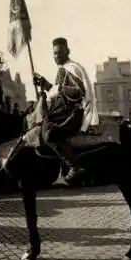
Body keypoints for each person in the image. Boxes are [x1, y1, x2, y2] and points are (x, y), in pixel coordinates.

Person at [34, 37, 99, 183]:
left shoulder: (72, 69)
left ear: (67, 51)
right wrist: (45, 85)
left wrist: (58, 88)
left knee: (49, 134)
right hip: (63, 112)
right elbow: (57, 92)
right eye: (54, 53)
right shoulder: (62, 70)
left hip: (74, 113)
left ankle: (74, 166)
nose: (56, 56)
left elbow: (78, 92)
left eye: (59, 53)